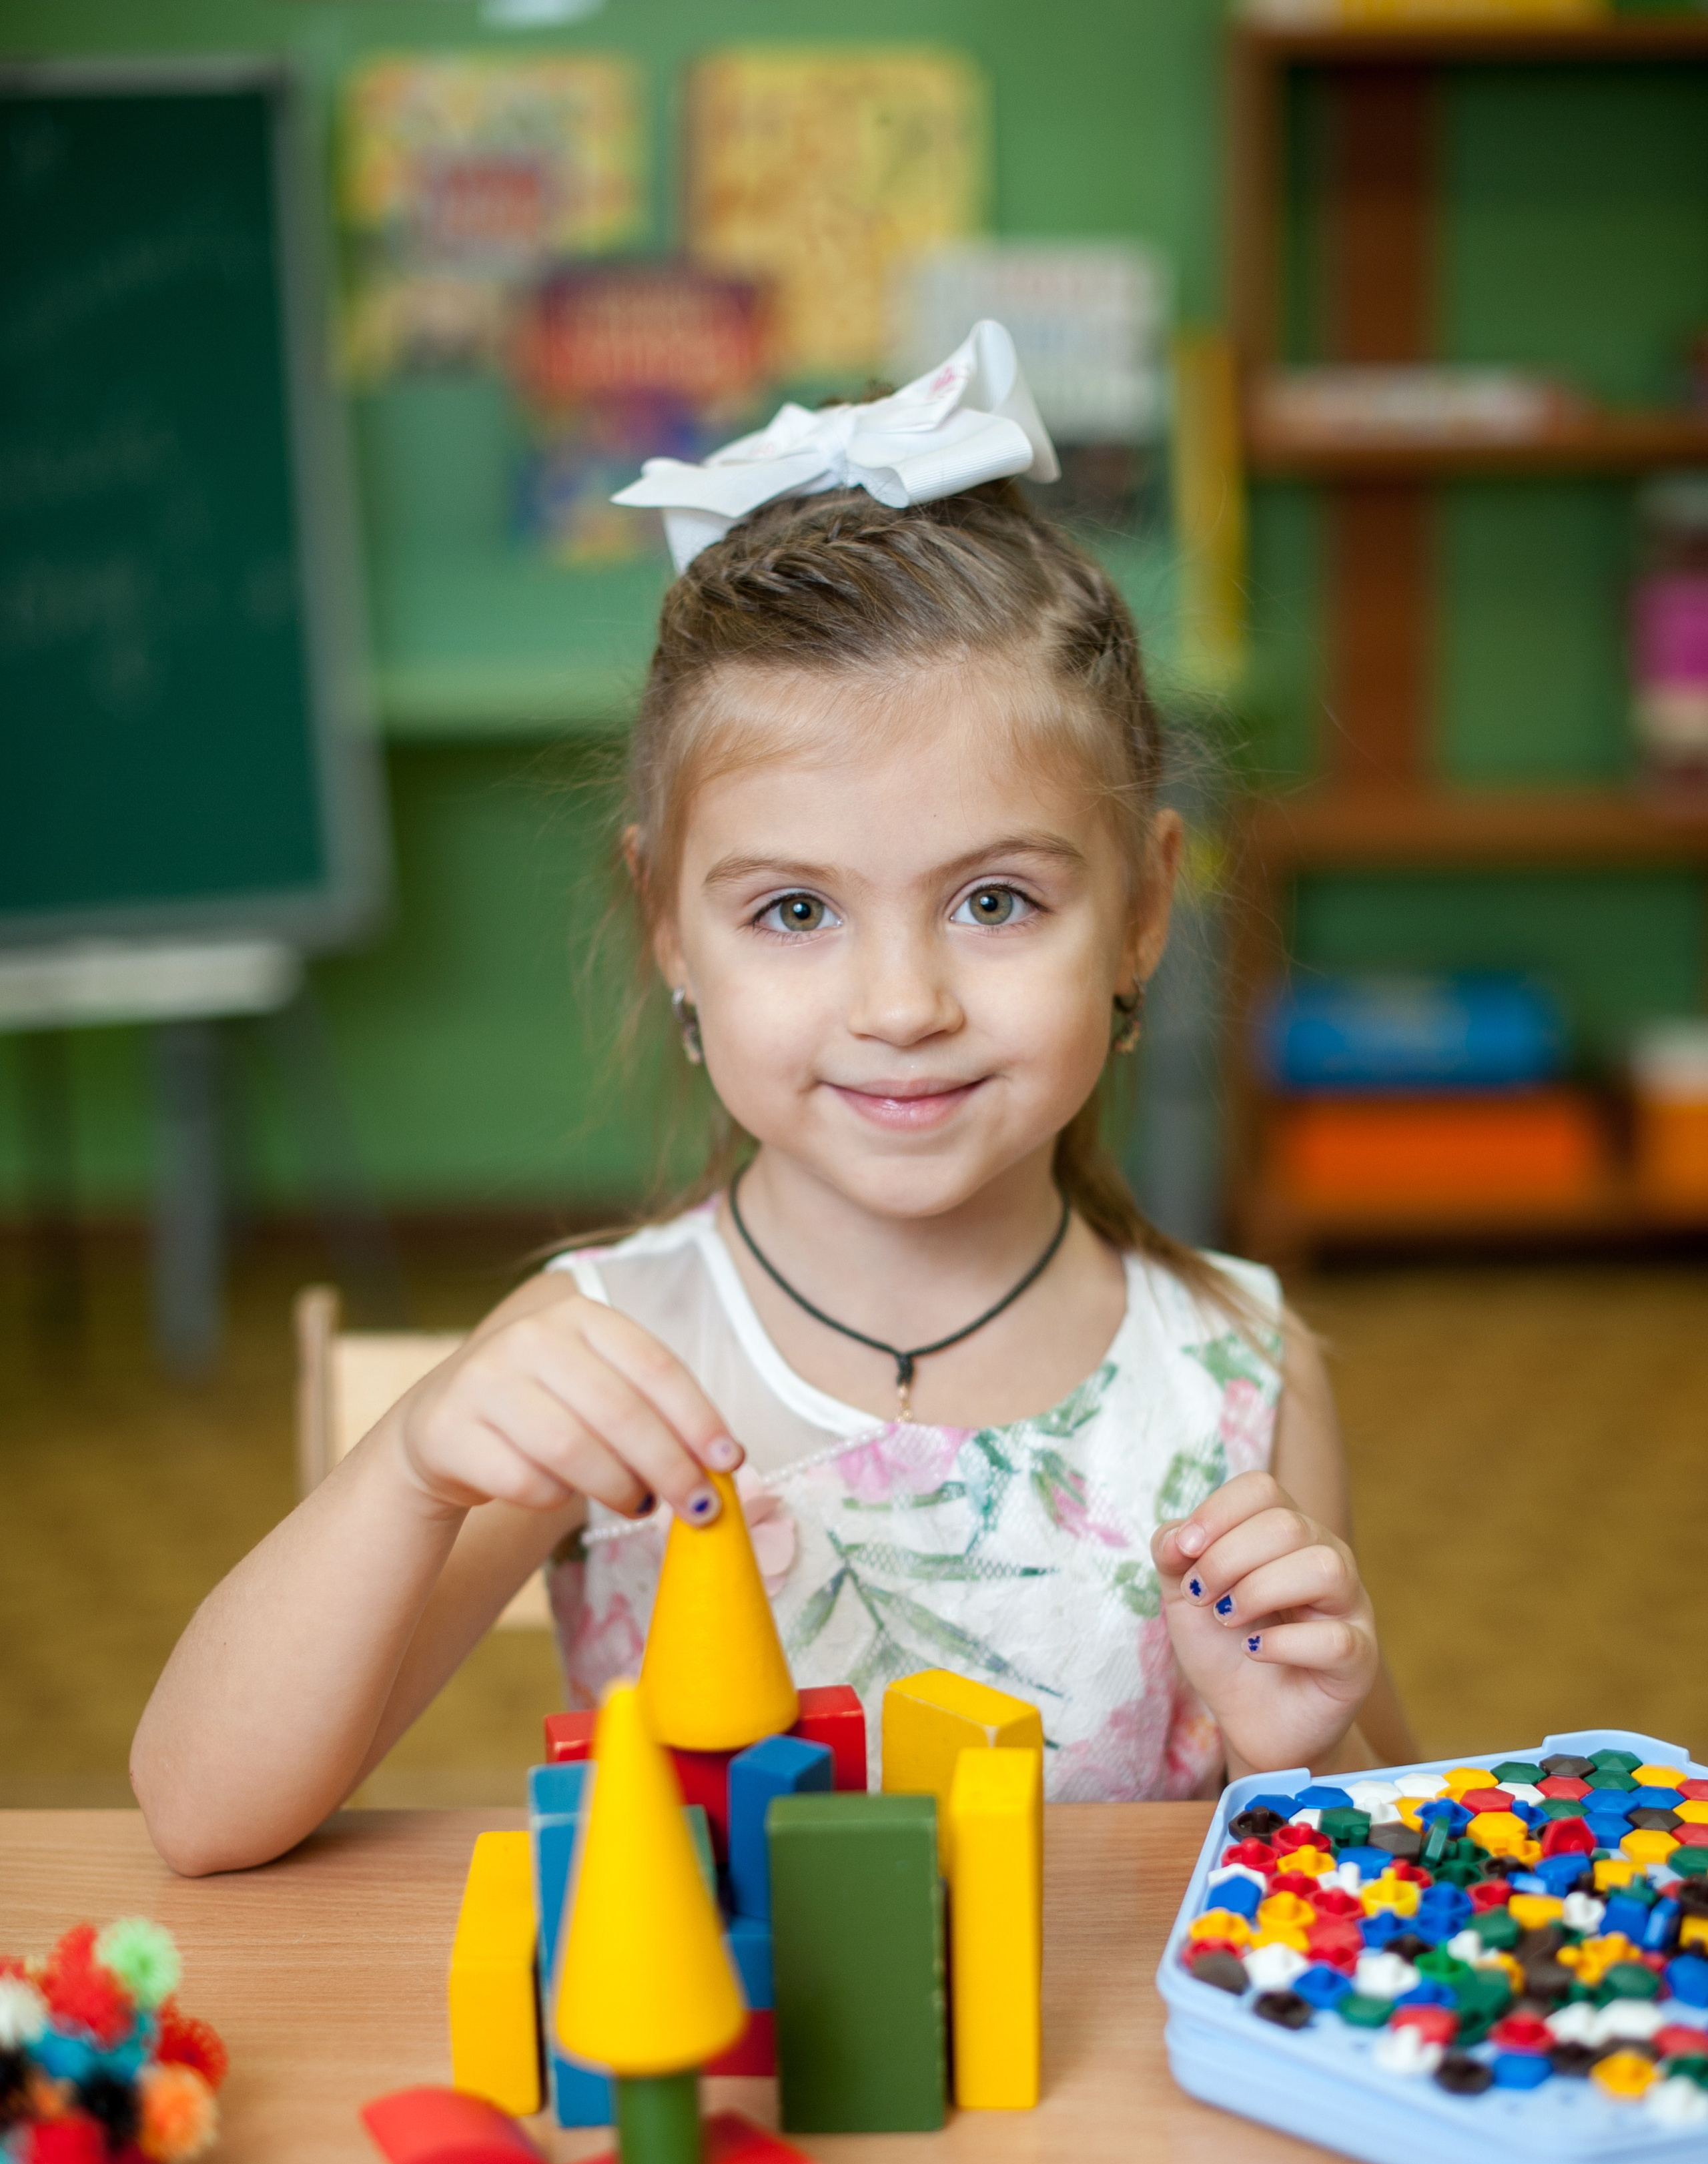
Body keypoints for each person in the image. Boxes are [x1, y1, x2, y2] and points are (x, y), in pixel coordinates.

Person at [133, 324, 1412, 1876]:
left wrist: (1299, 1753)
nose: (899, 1006)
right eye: (794, 911)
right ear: (667, 919)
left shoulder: (1237, 1377)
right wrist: (409, 1465)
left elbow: (1378, 1881)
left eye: (995, 902)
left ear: (1143, 906)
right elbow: (201, 1815)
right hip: (727, 2103)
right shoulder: (604, 1357)